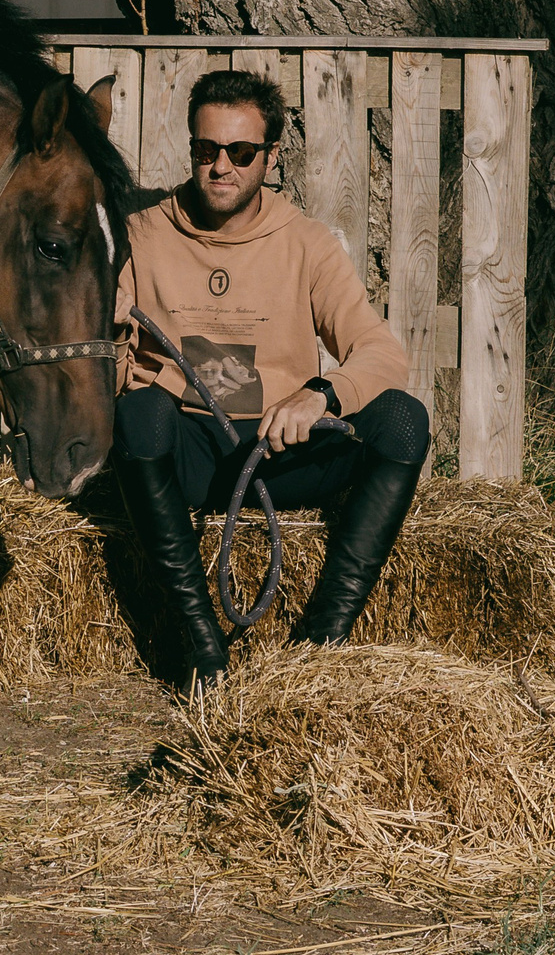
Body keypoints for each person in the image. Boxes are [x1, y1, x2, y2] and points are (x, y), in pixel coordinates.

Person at [112, 68, 432, 679]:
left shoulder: (307, 243)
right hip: (190, 455)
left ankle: (322, 640)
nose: (221, 167)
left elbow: (381, 353)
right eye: (206, 150)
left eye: (240, 152)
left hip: (281, 452)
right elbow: (108, 371)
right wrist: (114, 340)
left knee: (403, 418)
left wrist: (321, 395)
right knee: (138, 414)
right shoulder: (140, 236)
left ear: (272, 155)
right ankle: (200, 645)